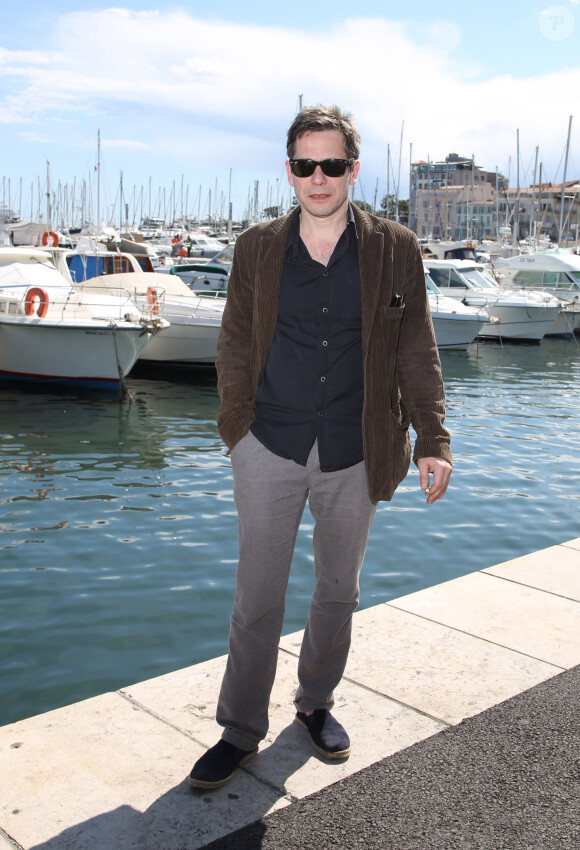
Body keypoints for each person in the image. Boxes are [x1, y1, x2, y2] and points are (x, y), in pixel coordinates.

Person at [188, 104, 452, 791]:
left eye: (332, 164)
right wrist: (235, 428)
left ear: (353, 170)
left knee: (338, 590)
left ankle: (315, 705)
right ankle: (240, 729)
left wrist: (432, 437)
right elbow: (235, 344)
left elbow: (417, 348)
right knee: (257, 597)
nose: (319, 177)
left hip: (358, 445)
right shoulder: (257, 248)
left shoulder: (395, 248)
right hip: (268, 443)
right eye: (305, 165)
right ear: (289, 171)